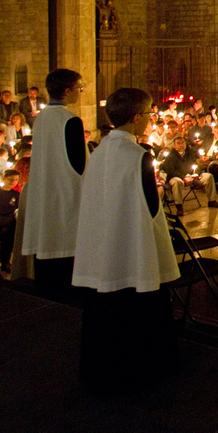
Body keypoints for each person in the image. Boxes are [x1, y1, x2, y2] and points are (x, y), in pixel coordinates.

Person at [72, 87, 180, 393]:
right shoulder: (138, 155)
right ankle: (146, 368)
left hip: (103, 242)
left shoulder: (99, 151)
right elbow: (149, 207)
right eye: (148, 114)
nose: (149, 120)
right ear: (136, 118)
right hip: (132, 244)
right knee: (139, 303)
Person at [21, 69, 87, 295]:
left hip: (44, 194)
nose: (81, 92)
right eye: (79, 88)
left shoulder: (41, 119)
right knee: (66, 263)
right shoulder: (71, 121)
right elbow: (79, 167)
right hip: (65, 197)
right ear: (67, 91)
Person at [160, 136, 218, 215]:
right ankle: (179, 207)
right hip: (177, 177)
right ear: (174, 146)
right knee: (177, 182)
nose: (181, 145)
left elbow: (196, 165)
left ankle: (212, 201)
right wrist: (184, 177)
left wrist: (195, 174)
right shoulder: (170, 156)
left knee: (208, 176)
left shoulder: (190, 153)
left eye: (183, 143)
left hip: (191, 175)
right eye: (178, 143)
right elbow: (171, 171)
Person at [0, 170, 19, 275]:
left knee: (7, 245)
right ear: (4, 178)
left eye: (16, 179)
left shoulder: (16, 194)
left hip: (10, 223)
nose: (13, 182)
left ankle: (5, 263)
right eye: (11, 179)